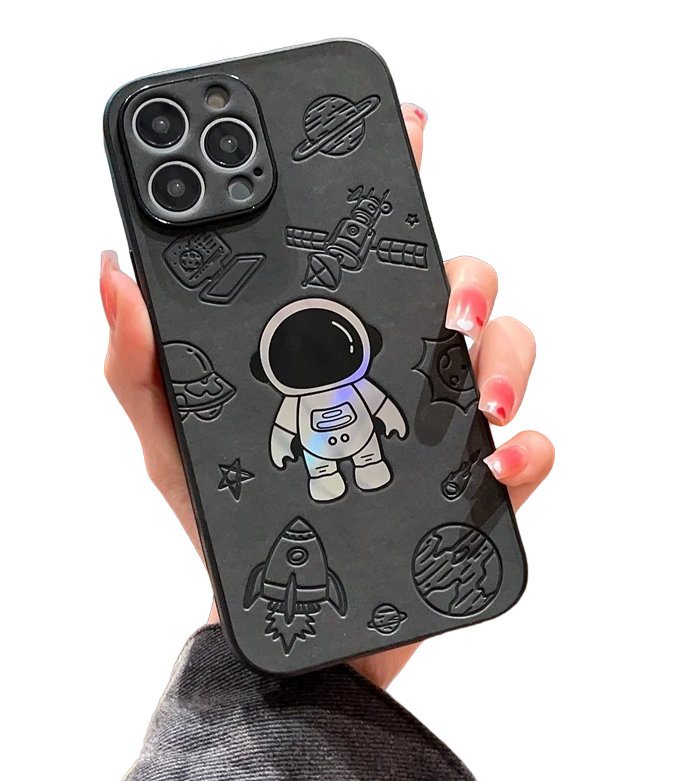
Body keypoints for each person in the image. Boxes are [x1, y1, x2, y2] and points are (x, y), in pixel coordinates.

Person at [99, 104, 555, 780]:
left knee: (365, 462)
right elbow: (287, 428)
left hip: (349, 448)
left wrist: (399, 425)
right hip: (318, 456)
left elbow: (378, 408)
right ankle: (339, 476)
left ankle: (354, 474)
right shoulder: (300, 401)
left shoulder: (348, 387)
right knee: (332, 468)